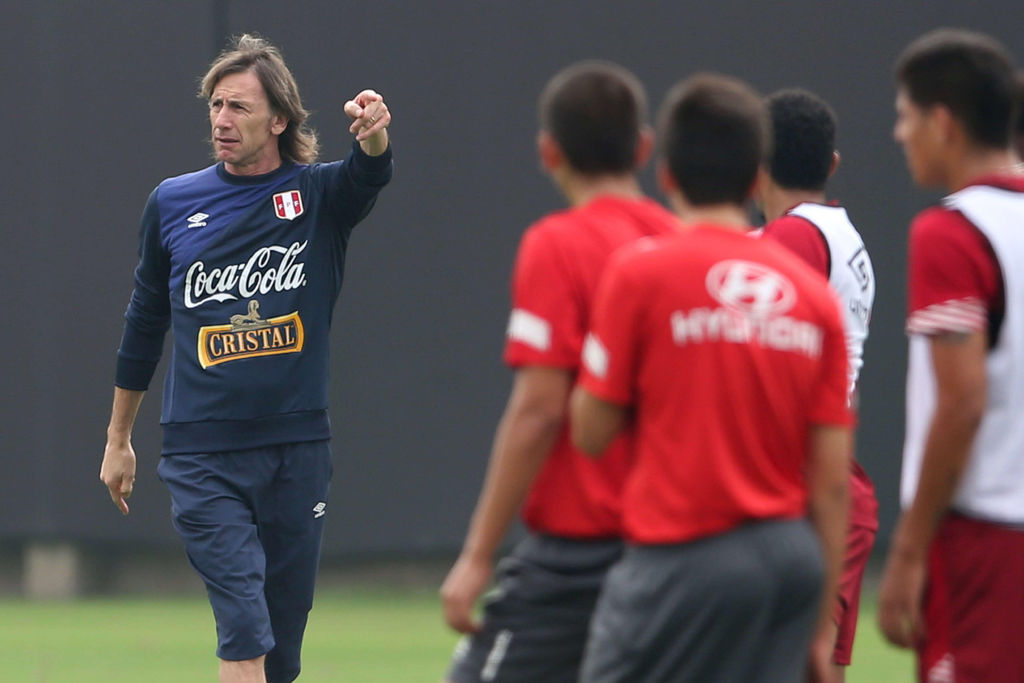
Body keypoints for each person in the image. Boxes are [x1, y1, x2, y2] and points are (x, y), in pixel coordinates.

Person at [98, 34, 393, 683]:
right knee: (244, 636)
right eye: (215, 104)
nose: (221, 120)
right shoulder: (173, 202)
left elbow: (368, 175)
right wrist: (119, 438)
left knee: (280, 656)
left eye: (238, 107)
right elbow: (144, 322)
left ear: (279, 119)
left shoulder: (315, 196)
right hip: (202, 455)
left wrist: (373, 134)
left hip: (296, 451)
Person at [571, 73, 852, 683]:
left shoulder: (638, 273)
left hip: (680, 554)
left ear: (666, 174)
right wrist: (821, 624)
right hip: (789, 561)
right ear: (756, 178)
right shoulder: (813, 297)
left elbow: (590, 432)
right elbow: (832, 483)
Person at [439, 61, 680, 682]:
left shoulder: (558, 244)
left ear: (549, 152)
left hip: (579, 555)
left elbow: (540, 409)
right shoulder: (680, 242)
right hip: (672, 553)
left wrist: (477, 555)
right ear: (643, 148)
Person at [878, 28, 1024, 683]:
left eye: (905, 116)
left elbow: (962, 402)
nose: (898, 134)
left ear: (943, 123)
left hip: (985, 539)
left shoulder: (951, 232)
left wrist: (908, 549)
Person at [756, 88, 876, 680]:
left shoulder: (792, 238)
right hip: (830, 475)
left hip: (803, 482)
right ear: (832, 163)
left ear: (755, 165)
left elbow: (765, 360)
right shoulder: (837, 233)